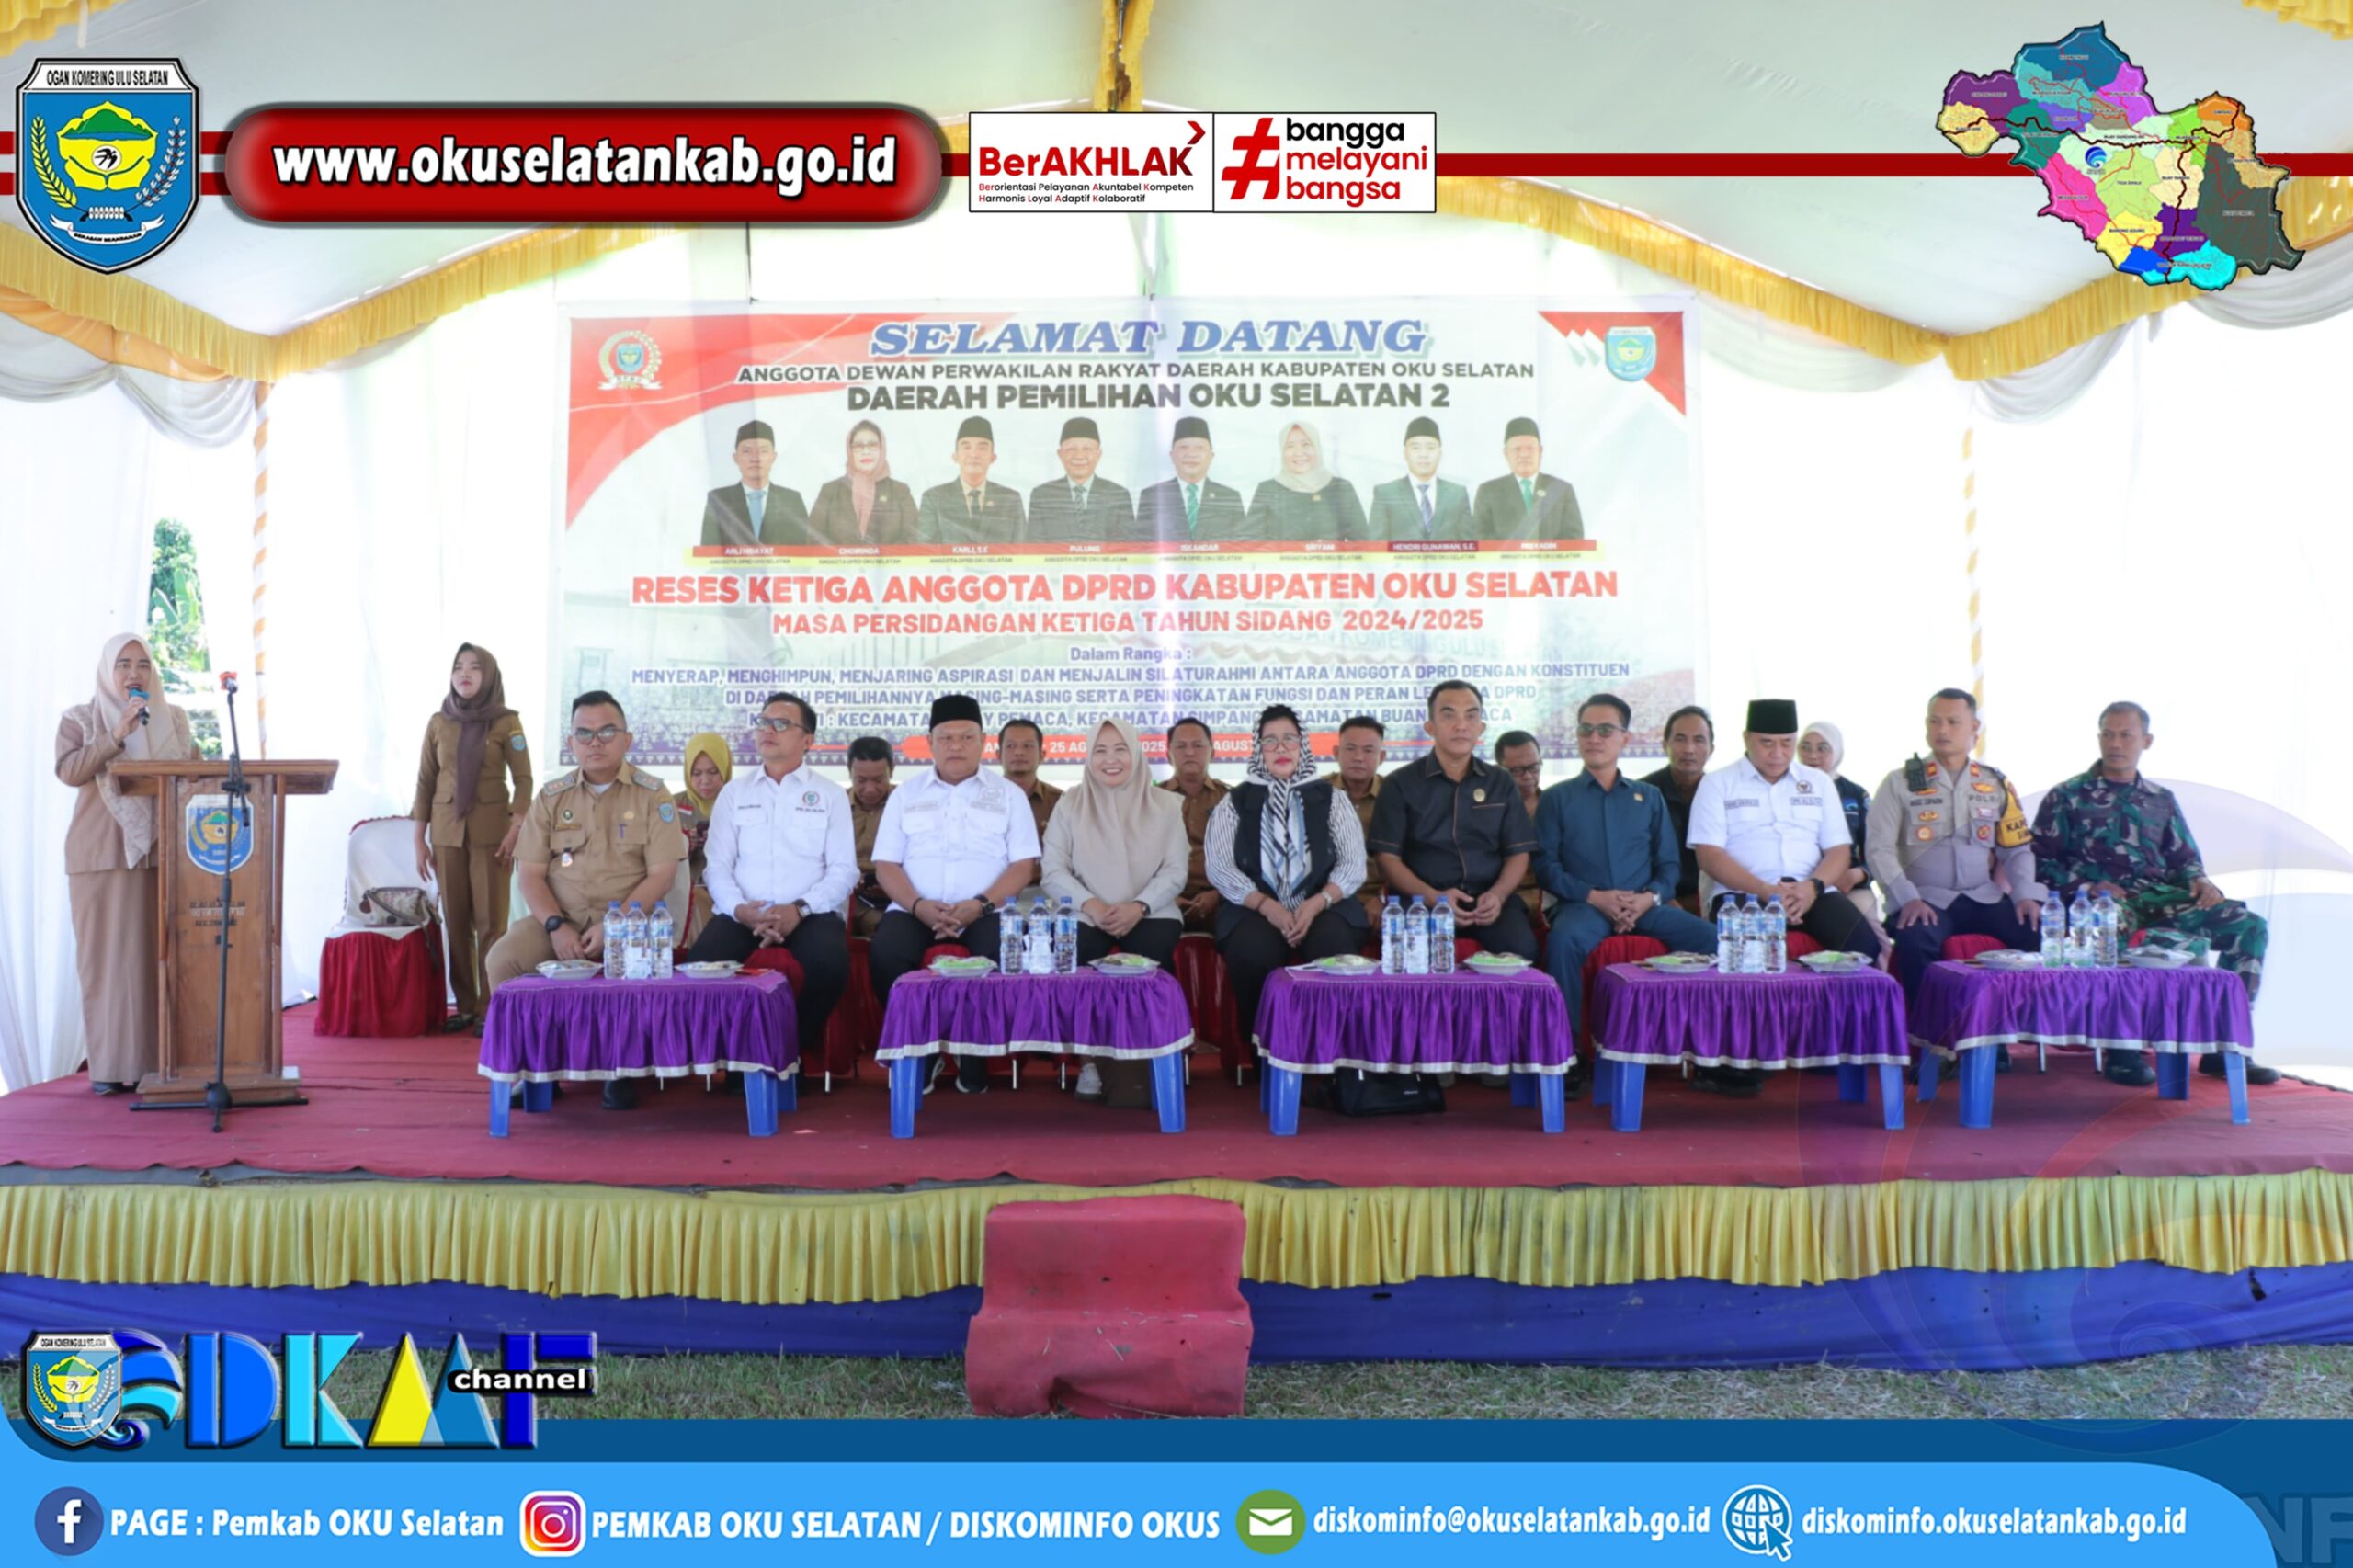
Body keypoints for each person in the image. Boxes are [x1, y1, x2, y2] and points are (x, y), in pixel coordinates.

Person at [2033, 701, 2279, 1088]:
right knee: (2108, 920)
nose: (2116, 743)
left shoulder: (2160, 799)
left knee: (2249, 926)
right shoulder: (2067, 796)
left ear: (2146, 741)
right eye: (2108, 734)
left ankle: (2226, 1047)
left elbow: (2185, 860)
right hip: (2104, 904)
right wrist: (2088, 886)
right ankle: (2122, 1048)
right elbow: (2038, 861)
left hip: (2161, 902)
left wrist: (2201, 881)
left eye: (2125, 735)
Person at [485, 692, 688, 1108]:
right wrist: (555, 926)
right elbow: (531, 875)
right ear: (571, 743)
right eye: (585, 734)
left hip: (630, 922)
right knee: (503, 960)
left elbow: (662, 875)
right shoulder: (550, 798)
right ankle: (536, 1069)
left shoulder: (653, 795)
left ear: (627, 739)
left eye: (607, 732)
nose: (596, 742)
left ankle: (623, 1069)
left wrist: (616, 925)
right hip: (561, 920)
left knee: (631, 967)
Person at [1688, 699, 1882, 1096]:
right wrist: (1767, 892)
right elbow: (1709, 856)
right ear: (1746, 739)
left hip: (1810, 890)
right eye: (1766, 743)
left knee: (1862, 946)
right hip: (1744, 893)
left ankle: (1831, 1046)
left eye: (1786, 743)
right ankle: (1733, 1061)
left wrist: (1812, 888)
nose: (1777, 753)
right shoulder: (1718, 783)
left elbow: (1838, 851)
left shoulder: (1818, 783)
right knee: (1745, 954)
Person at [1535, 693, 1719, 1084]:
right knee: (1563, 943)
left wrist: (1647, 898)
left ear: (1625, 738)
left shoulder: (1648, 797)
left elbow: (1669, 866)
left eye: (1605, 730)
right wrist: (1593, 896)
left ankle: (1707, 1052)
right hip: (1583, 906)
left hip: (1644, 906)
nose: (1594, 738)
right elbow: (1546, 867)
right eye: (1586, 730)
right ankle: (1567, 1053)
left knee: (1714, 940)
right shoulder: (1556, 798)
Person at [869, 695, 1040, 1093]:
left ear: (984, 742)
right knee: (886, 956)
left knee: (1003, 956)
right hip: (914, 909)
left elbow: (1023, 866)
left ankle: (974, 1051)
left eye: (967, 737)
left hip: (987, 910)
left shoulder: (1008, 795)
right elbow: (886, 865)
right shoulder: (906, 794)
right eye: (946, 738)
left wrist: (979, 905)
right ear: (930, 743)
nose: (956, 746)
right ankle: (922, 1051)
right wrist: (918, 906)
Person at [682, 692, 857, 1074]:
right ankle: (737, 1054)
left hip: (810, 913)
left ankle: (785, 1053)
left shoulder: (830, 795)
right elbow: (717, 866)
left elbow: (844, 870)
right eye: (763, 722)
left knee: (830, 968)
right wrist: (740, 910)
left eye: (781, 724)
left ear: (807, 740)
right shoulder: (734, 793)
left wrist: (799, 909)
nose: (768, 731)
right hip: (744, 913)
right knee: (700, 969)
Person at [1865, 690, 2043, 1049]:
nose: (1942, 730)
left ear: (1974, 728)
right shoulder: (1899, 782)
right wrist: (1906, 898)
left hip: (1983, 896)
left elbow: (2016, 848)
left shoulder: (1995, 784)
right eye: (1935, 721)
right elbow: (1878, 849)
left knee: (2038, 932)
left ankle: (2004, 1033)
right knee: (1915, 942)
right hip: (1926, 899)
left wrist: (2025, 895)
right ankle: (1932, 1045)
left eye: (1952, 722)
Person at [57, 633, 194, 1093]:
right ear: (106, 671)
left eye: (143, 665)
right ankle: (110, 1069)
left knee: (157, 964)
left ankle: (159, 1063)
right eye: (123, 664)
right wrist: (117, 735)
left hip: (161, 854)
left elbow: (193, 775)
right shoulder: (81, 718)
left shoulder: (173, 720)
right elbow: (70, 771)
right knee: (108, 966)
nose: (134, 673)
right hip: (101, 857)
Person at [1042, 718, 1190, 1102]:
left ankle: (1156, 1060)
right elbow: (1052, 871)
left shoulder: (1166, 805)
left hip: (1151, 910)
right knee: (1076, 958)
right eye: (1101, 750)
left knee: (1151, 959)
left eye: (1120, 749)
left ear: (1136, 753)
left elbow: (1176, 871)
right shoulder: (1070, 803)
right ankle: (1089, 1060)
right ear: (1088, 757)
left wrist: (1139, 906)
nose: (1111, 760)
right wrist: (1091, 905)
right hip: (1085, 911)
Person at [1205, 705, 1369, 1037]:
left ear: (1302, 744)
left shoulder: (1332, 799)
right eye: (1270, 741)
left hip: (1325, 905)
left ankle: (1330, 1050)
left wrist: (1319, 901)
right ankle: (1267, 1048)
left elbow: (1353, 865)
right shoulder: (1234, 802)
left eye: (1289, 739)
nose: (1280, 748)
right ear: (1258, 748)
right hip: (1254, 908)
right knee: (1252, 953)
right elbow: (1219, 867)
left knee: (1332, 948)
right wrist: (1267, 906)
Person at [1368, 681, 1542, 961]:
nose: (1461, 725)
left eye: (1471, 716)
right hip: (1421, 902)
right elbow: (1386, 857)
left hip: (1488, 900)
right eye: (1449, 715)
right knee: (1414, 960)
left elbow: (1518, 851)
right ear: (1430, 727)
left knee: (1521, 955)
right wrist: (1433, 897)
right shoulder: (1399, 784)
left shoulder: (1500, 782)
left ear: (1481, 728)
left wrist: (1498, 895)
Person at [409, 643, 532, 1031]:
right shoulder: (438, 722)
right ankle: (464, 1006)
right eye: (458, 667)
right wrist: (419, 839)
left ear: (489, 675)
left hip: (493, 833)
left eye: (474, 668)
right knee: (456, 921)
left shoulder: (507, 723)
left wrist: (516, 828)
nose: (464, 674)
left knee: (491, 922)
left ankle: (490, 1005)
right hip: (447, 832)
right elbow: (425, 781)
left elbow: (524, 779)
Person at [1799, 720, 1881, 921]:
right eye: (1805, 747)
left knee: (1869, 926)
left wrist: (1857, 874)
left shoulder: (1855, 794)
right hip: (1799, 883)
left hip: (1847, 884)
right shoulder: (1786, 790)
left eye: (1822, 748)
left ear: (1837, 751)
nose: (1812, 755)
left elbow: (1878, 848)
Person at [1158, 716, 1229, 932]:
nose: (1190, 752)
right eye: (1181, 746)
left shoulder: (1230, 799)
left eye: (1198, 745)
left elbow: (1245, 860)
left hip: (1223, 899)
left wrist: (1218, 894)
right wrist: (1164, 896)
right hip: (1162, 899)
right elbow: (1138, 861)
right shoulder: (1152, 800)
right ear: (1168, 755)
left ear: (1212, 752)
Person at [1641, 704, 1714, 915]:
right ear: (1665, 745)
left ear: (1711, 749)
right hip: (1655, 899)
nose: (1689, 749)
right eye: (1680, 739)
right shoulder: (1643, 793)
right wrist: (1659, 894)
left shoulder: (1722, 793)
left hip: (1710, 897)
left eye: (1699, 740)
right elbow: (1634, 857)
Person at [1245, 419, 1366, 542]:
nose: (1299, 452)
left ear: (1317, 447)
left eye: (1306, 444)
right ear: (1282, 451)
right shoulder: (1268, 490)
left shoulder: (1341, 488)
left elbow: (1363, 544)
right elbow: (1249, 545)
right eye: (1290, 446)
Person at [1470, 417, 1585, 542]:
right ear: (1506, 454)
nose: (1524, 455)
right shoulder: (1489, 491)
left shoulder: (1561, 490)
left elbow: (1575, 539)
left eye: (1530, 448)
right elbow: (1479, 538)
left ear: (1540, 451)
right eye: (1517, 449)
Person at [1135, 416, 1248, 543]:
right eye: (1183, 447)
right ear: (1172, 456)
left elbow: (1242, 546)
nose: (1191, 454)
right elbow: (1139, 545)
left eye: (1199, 448)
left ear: (1211, 456)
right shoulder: (1152, 496)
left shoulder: (1230, 497)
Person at [807, 420, 918, 547]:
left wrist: (880, 557)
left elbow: (913, 538)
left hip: (890, 561)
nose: (866, 451)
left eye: (873, 445)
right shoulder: (830, 491)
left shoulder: (900, 491)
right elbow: (814, 538)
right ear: (850, 450)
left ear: (882, 449)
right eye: (858, 446)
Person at [915, 415, 1024, 546]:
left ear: (993, 457)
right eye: (966, 447)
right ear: (955, 456)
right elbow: (925, 550)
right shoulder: (934, 498)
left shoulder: (1010, 499)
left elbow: (1023, 550)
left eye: (982, 448)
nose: (974, 454)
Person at [700, 419, 810, 548]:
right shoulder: (718, 500)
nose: (755, 458)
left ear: (774, 457)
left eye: (763, 451)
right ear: (735, 458)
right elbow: (708, 553)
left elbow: (805, 552)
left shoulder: (791, 499)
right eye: (747, 451)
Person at [1025, 417, 1135, 543]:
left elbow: (1128, 549)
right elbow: (1035, 548)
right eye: (1071, 449)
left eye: (1087, 449)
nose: (1079, 456)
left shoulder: (1118, 495)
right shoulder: (1042, 496)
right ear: (1060, 454)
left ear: (1098, 454)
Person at [1367, 416, 1472, 541]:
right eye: (1415, 448)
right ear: (1405, 454)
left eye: (1431, 448)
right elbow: (1376, 548)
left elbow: (1470, 545)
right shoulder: (1385, 493)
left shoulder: (1457, 494)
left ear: (1440, 454)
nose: (1423, 455)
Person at [672, 730, 732, 948]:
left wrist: (722, 842)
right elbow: (657, 857)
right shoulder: (670, 805)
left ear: (725, 769)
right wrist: (685, 845)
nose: (705, 781)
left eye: (713, 772)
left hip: (733, 894)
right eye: (696, 773)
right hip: (686, 895)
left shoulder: (740, 802)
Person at [1334, 715, 1388, 922]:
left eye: (1368, 750)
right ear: (1336, 753)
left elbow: (1412, 857)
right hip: (1332, 897)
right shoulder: (1318, 794)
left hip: (1385, 894)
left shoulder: (1395, 795)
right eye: (1350, 749)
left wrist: (1383, 897)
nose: (1358, 757)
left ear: (1381, 757)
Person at [845, 735, 896, 937]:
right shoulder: (834, 804)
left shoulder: (907, 805)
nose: (870, 789)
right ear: (849, 772)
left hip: (894, 894)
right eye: (861, 780)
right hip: (845, 893)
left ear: (892, 771)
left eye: (878, 780)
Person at [1495, 730, 1546, 926]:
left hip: (1551, 895)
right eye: (1517, 770)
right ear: (1499, 770)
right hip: (1506, 897)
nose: (1528, 777)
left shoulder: (1554, 805)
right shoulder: (1487, 813)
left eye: (1534, 767)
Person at [996, 718, 1062, 844]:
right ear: (998, 755)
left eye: (1027, 746)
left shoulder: (1059, 802)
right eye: (1011, 746)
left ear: (1042, 755)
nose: (1019, 752)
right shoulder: (981, 800)